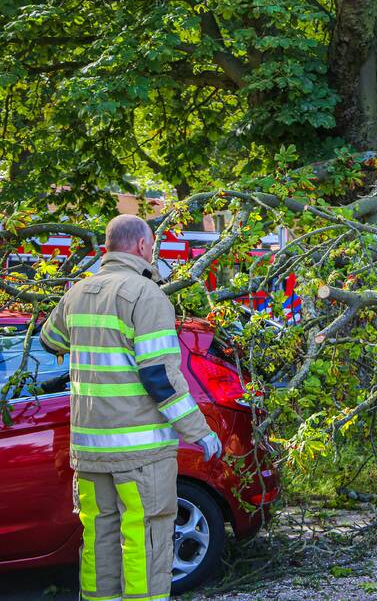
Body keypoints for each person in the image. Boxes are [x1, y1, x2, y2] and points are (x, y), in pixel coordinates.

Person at [38, 214, 221, 601]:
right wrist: (199, 432)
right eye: (151, 245)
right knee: (145, 537)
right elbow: (159, 377)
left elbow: (50, 340)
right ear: (141, 246)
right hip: (139, 454)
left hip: (89, 452)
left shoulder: (77, 293)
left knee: (99, 537)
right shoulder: (146, 295)